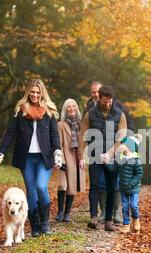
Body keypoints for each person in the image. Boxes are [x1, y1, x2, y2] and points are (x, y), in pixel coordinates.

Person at [0, 79, 63, 237]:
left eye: (38, 92)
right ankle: (35, 225)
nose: (35, 95)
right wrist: (0, 152)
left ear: (42, 93)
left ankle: (45, 222)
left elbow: (54, 135)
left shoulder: (49, 112)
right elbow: (10, 133)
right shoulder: (21, 111)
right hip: (27, 158)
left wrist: (57, 151)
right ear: (28, 92)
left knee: (41, 187)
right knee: (31, 192)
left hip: (44, 157)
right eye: (32, 92)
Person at [79, 85, 128, 231]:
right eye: (105, 101)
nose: (107, 104)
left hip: (112, 156)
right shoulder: (90, 114)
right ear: (99, 98)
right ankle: (94, 217)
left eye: (110, 101)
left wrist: (111, 153)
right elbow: (82, 135)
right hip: (94, 155)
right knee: (94, 185)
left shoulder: (120, 115)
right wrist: (81, 156)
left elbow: (121, 137)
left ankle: (108, 221)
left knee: (111, 187)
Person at [56, 99, 86, 222]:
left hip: (76, 157)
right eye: (69, 107)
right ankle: (60, 212)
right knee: (63, 185)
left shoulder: (81, 125)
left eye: (74, 106)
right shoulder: (60, 125)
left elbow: (83, 143)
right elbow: (59, 144)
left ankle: (67, 213)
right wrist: (61, 160)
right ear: (65, 109)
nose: (71, 108)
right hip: (64, 156)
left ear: (77, 108)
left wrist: (82, 158)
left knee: (72, 186)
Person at [116, 134, 144, 233]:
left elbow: (139, 174)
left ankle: (136, 220)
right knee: (125, 207)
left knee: (133, 205)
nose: (121, 146)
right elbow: (114, 168)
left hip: (133, 188)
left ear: (129, 147)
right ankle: (126, 225)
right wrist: (106, 163)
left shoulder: (136, 161)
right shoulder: (120, 159)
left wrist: (132, 183)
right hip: (123, 187)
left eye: (124, 144)